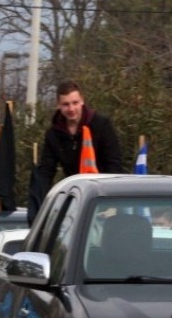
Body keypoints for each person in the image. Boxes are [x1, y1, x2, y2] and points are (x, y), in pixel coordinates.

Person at [27, 80, 126, 222]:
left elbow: (114, 165)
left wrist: (111, 201)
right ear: (58, 105)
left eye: (75, 103)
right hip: (76, 198)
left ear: (82, 101)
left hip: (105, 198)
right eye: (66, 104)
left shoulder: (101, 124)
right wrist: (43, 205)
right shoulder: (53, 134)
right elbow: (46, 173)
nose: (71, 109)